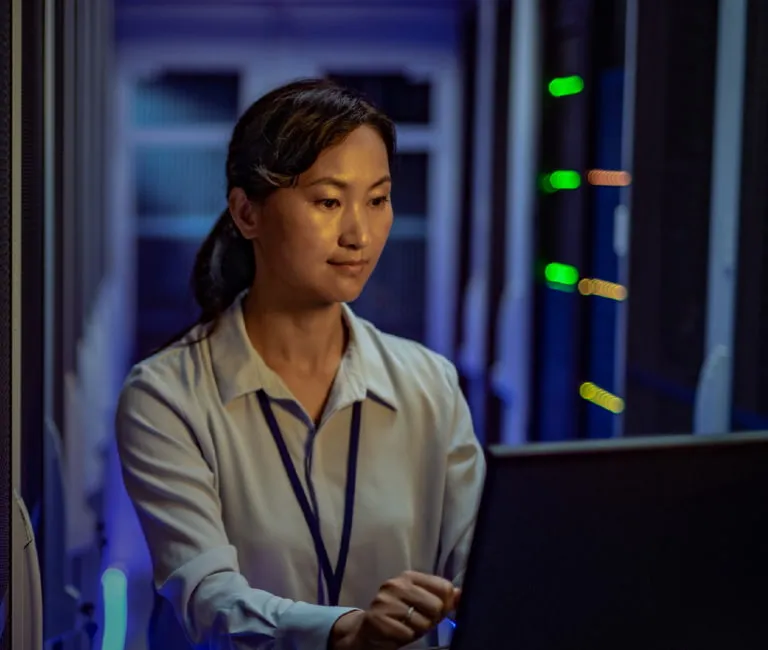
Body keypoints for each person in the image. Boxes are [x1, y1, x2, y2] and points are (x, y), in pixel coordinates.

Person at [116, 78, 485, 650]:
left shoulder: (429, 384)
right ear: (247, 212)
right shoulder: (166, 395)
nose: (359, 234)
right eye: (328, 201)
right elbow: (208, 598)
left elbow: (482, 563)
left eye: (378, 199)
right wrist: (346, 629)